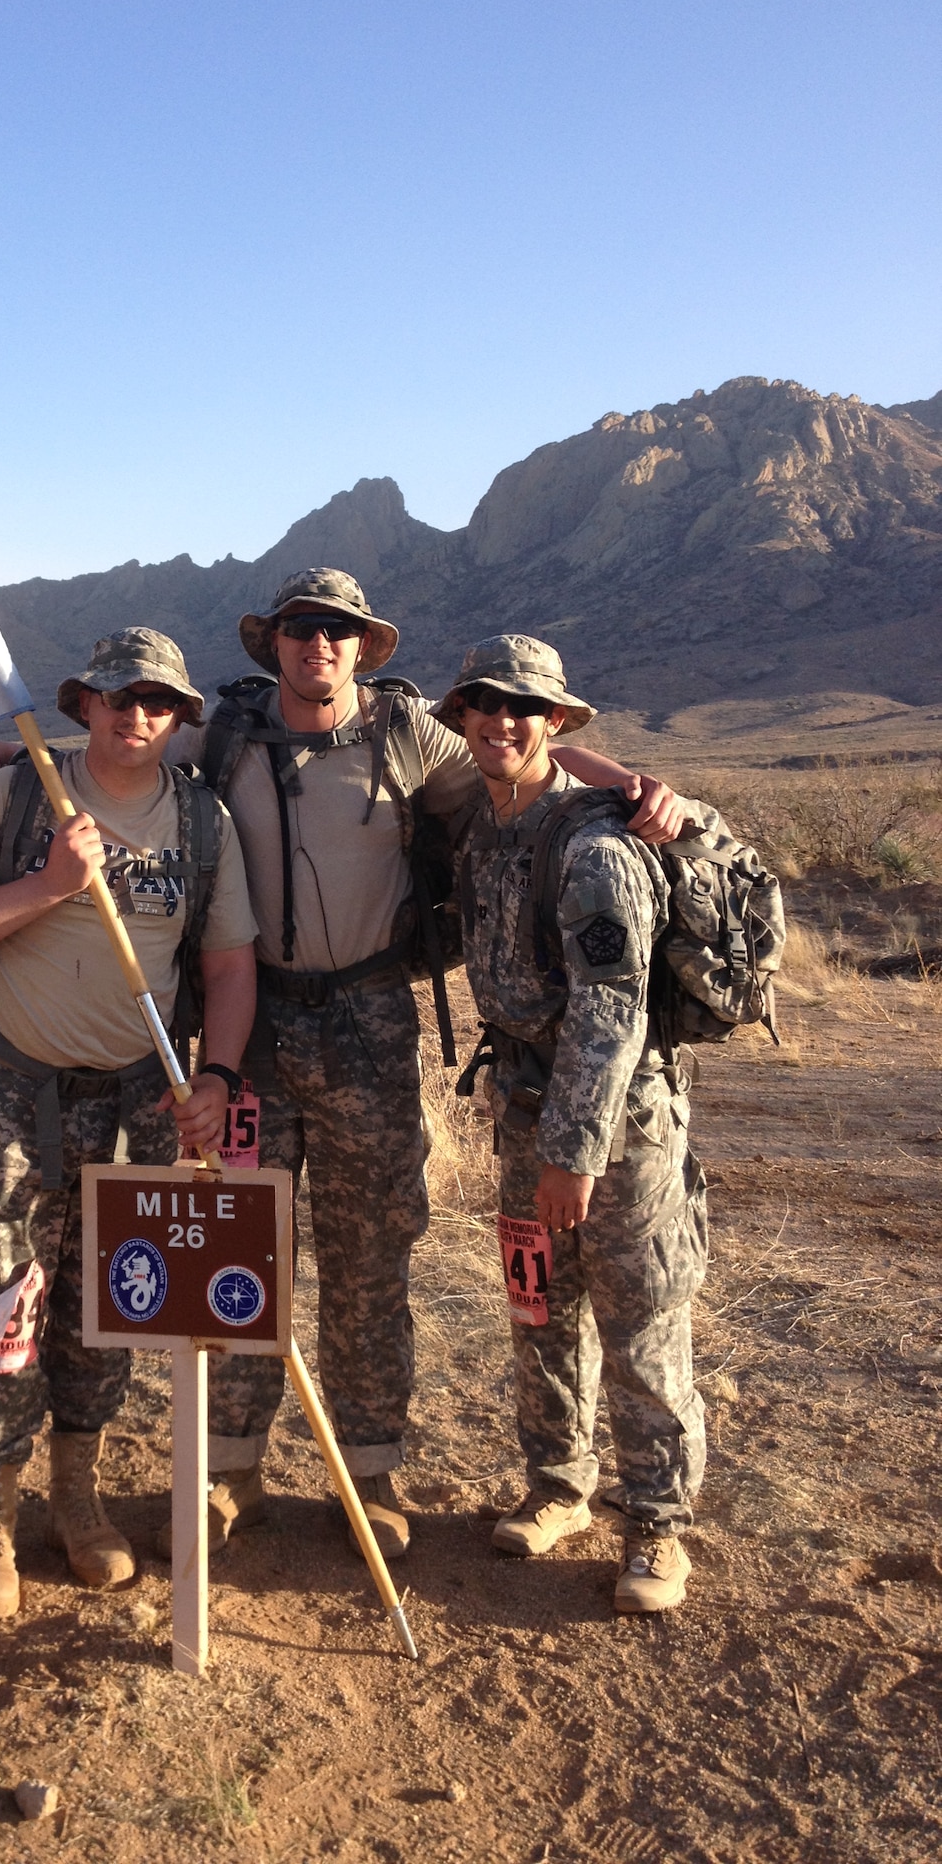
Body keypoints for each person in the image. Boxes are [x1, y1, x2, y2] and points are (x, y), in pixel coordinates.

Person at [0, 571, 682, 1564]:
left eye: (337, 630)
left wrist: (628, 783)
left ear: (363, 646)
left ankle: (368, 1473)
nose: (318, 644)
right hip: (256, 1036)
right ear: (274, 643)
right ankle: (229, 1467)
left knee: (371, 1257)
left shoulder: (411, 734)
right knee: (234, 1248)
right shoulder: (225, 734)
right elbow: (120, 743)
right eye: (300, 628)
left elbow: (523, 758)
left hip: (372, 1022)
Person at [0, 628, 257, 1621]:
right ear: (83, 704)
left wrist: (218, 1074)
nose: (135, 714)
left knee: (109, 1305)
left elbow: (228, 967)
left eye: (157, 701)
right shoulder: (20, 798)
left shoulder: (202, 819)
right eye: (117, 695)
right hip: (10, 1089)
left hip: (134, 1095)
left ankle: (76, 1495)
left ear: (179, 716)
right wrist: (49, 885)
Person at [439, 636, 708, 1612]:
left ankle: (657, 1526)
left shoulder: (592, 842)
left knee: (640, 1325)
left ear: (555, 721)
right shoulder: (484, 828)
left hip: (618, 1127)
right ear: (463, 715)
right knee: (538, 1309)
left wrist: (572, 1150)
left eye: (525, 707)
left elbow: (612, 1007)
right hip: (522, 1109)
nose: (502, 720)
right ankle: (559, 1485)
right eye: (485, 703)